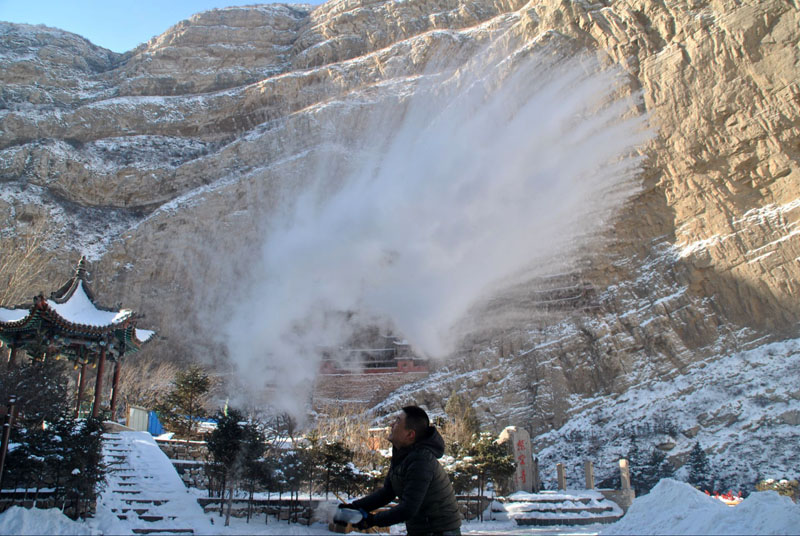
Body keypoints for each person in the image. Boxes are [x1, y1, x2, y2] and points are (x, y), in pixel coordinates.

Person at [340, 405, 462, 535]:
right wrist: (355, 507)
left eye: (398, 421)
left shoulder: (421, 460)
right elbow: (387, 493)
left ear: (410, 434)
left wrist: (372, 520)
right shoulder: (403, 455)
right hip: (423, 530)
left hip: (440, 531)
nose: (392, 424)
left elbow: (408, 509)